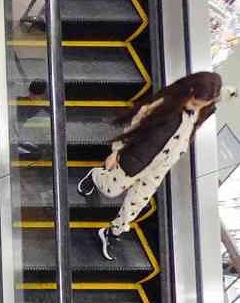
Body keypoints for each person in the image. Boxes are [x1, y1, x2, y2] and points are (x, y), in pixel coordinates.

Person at [76, 71, 236, 260]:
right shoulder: (164, 106)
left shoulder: (206, 104)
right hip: (136, 160)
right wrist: (116, 151)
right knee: (111, 191)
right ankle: (95, 175)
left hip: (158, 169)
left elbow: (221, 95)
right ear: (188, 92)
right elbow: (136, 126)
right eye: (194, 104)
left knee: (136, 204)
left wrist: (230, 93)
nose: (195, 108)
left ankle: (112, 232)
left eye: (201, 106)